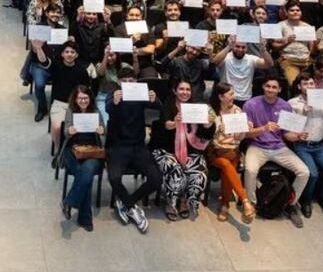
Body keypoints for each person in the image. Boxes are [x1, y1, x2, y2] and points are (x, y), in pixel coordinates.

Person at [243, 78, 311, 228]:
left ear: (279, 90)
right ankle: (252, 204)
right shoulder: (250, 104)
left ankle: (290, 204)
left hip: (279, 147)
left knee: (304, 172)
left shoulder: (285, 106)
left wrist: (297, 136)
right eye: (268, 86)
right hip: (257, 146)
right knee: (250, 170)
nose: (270, 89)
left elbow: (287, 135)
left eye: (274, 87)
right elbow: (246, 133)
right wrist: (263, 128)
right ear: (263, 86)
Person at [106, 67, 161, 234]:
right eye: (124, 81)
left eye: (131, 80)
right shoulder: (113, 95)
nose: (128, 83)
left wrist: (154, 99)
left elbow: (158, 107)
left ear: (136, 82)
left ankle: (127, 203)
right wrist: (115, 102)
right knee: (114, 178)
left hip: (138, 146)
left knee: (156, 178)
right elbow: (108, 108)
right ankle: (132, 208)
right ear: (118, 82)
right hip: (117, 147)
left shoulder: (140, 94)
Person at [149, 80, 211, 221]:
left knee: (200, 170)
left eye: (188, 89)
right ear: (174, 91)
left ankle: (185, 199)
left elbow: (204, 135)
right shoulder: (167, 106)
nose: (185, 92)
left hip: (190, 149)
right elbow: (164, 126)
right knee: (175, 168)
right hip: (165, 149)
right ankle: (170, 201)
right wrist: (175, 123)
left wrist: (208, 125)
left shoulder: (196, 108)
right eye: (181, 89)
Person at [288, 73, 323, 220]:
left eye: (311, 83)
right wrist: (304, 112)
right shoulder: (292, 103)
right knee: (313, 174)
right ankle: (306, 200)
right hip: (301, 145)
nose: (309, 86)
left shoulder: (322, 101)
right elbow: (289, 128)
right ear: (299, 87)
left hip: (319, 146)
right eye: (305, 84)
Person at [58, 86, 104, 232]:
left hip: (92, 151)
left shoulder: (95, 111)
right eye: (80, 98)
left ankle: (69, 201)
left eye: (85, 98)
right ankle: (85, 218)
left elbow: (104, 131)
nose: (83, 101)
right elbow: (65, 133)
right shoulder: (71, 111)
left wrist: (101, 131)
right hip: (73, 151)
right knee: (85, 176)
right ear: (75, 99)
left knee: (86, 171)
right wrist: (69, 131)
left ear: (90, 98)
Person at [207, 82, 255, 222]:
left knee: (227, 166)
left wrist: (244, 129)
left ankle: (226, 204)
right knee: (226, 164)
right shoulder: (211, 111)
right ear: (221, 97)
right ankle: (243, 201)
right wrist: (212, 126)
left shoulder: (237, 111)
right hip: (215, 150)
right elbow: (206, 134)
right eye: (231, 94)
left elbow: (239, 138)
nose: (234, 97)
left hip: (233, 150)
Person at [211, 36, 274, 102]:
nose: (240, 49)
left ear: (247, 48)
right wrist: (228, 46)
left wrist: (263, 50)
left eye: (243, 47)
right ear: (233, 46)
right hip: (227, 97)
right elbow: (215, 62)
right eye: (237, 46)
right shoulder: (226, 57)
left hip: (245, 98)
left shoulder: (251, 59)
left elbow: (269, 64)